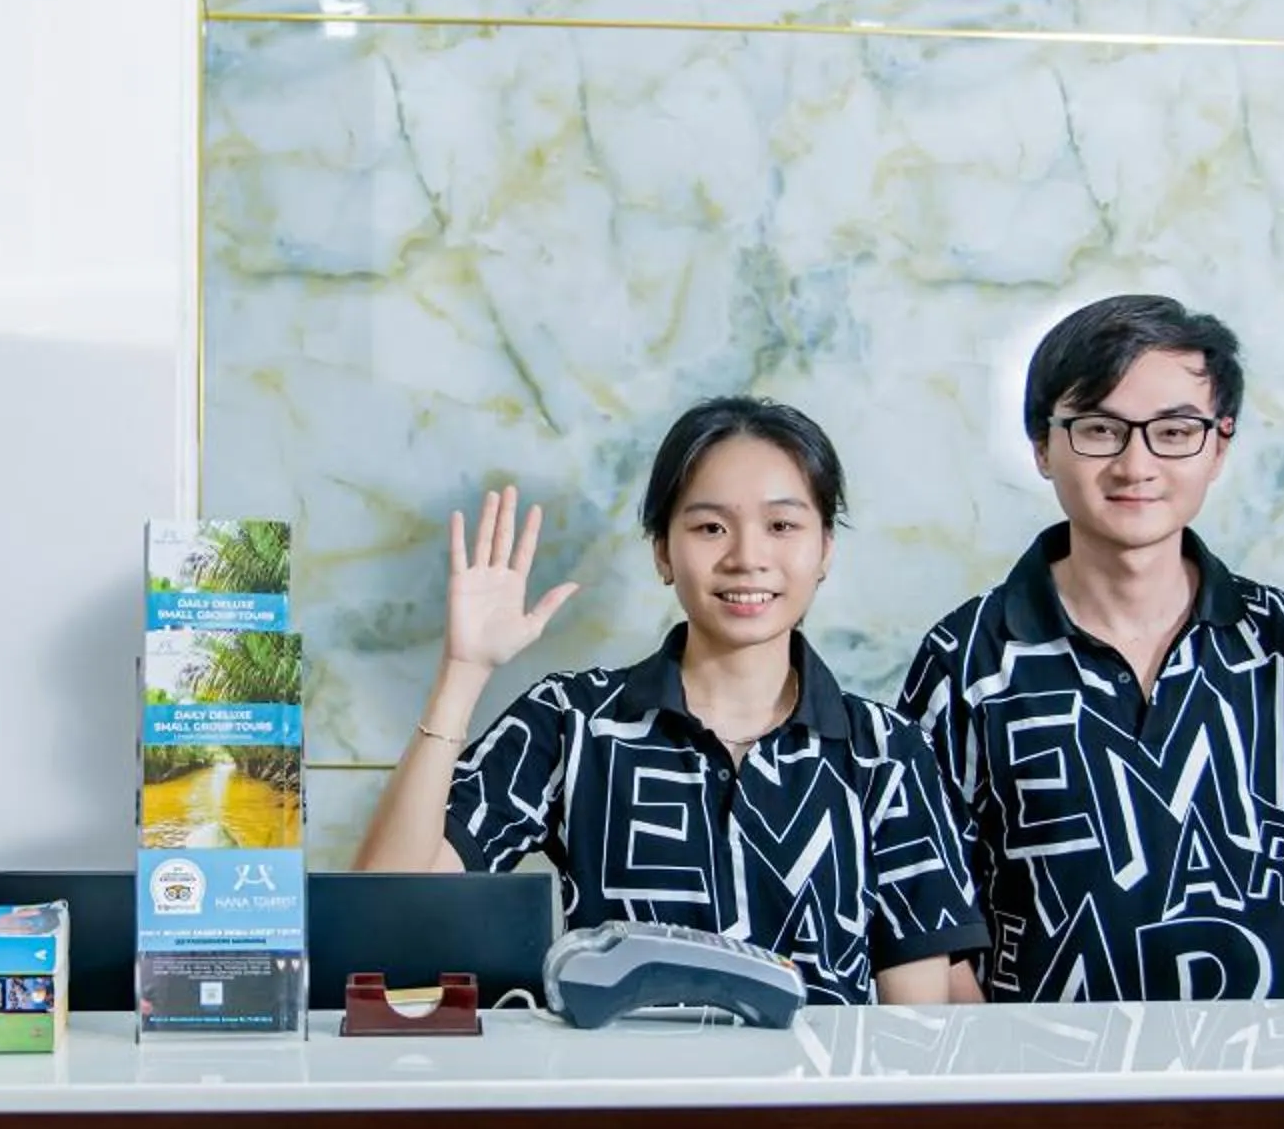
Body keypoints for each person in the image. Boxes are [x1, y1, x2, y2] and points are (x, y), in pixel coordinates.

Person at [899, 295, 1284, 1002]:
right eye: (1099, 428)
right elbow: (927, 917)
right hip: (1038, 1095)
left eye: (1174, 431)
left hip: (1255, 1092)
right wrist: (1004, 1095)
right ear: (1043, 446)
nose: (1137, 464)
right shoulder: (968, 656)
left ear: (1219, 446)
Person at [353, 396, 987, 1006]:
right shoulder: (574, 721)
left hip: (814, 1113)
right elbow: (387, 913)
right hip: (623, 1110)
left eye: (782, 525)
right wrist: (462, 670)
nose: (747, 557)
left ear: (824, 549)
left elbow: (917, 1020)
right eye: (710, 527)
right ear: (663, 551)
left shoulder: (886, 752)